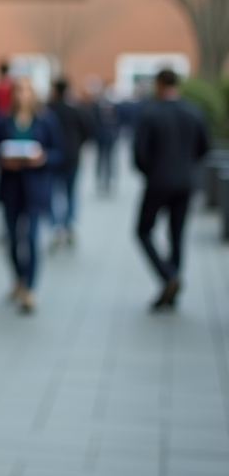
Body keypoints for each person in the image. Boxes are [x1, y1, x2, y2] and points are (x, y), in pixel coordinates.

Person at [133, 68, 210, 311]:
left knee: (143, 230)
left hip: (158, 181)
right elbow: (204, 148)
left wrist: (152, 171)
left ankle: (168, 276)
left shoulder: (150, 113)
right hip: (185, 182)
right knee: (177, 234)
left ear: (159, 84)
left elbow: (139, 154)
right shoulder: (194, 111)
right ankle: (172, 281)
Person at [0, 76, 63, 314]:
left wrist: (43, 158)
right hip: (10, 187)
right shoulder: (1, 120)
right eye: (18, 91)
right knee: (13, 239)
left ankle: (30, 289)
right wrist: (2, 160)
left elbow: (59, 152)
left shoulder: (46, 120)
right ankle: (19, 279)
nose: (22, 95)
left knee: (31, 238)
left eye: (26, 90)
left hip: (35, 187)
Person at [46, 77, 93, 250]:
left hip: (52, 158)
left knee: (52, 193)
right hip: (72, 156)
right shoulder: (76, 110)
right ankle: (69, 225)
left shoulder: (48, 110)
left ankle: (55, 227)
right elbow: (88, 131)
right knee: (71, 193)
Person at [88, 80, 120, 196]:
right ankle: (100, 181)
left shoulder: (115, 105)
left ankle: (109, 181)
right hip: (100, 137)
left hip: (110, 137)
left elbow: (118, 121)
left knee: (110, 160)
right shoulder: (96, 105)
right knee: (100, 160)